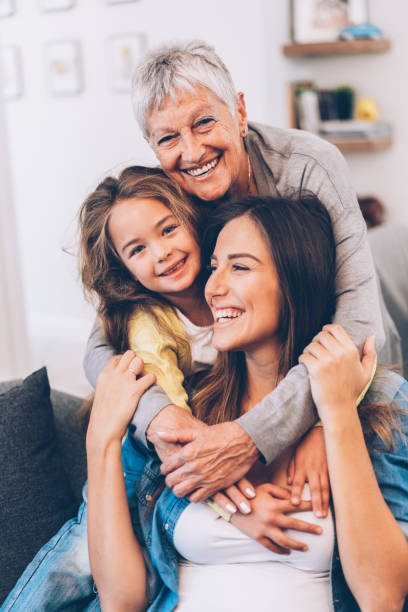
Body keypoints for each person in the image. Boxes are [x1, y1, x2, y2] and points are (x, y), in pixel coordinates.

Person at [84, 40, 401, 508]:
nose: (191, 152)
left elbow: (356, 321)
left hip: (351, 362)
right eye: (167, 138)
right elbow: (100, 344)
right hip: (254, 374)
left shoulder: (308, 165)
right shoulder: (172, 195)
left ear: (239, 110)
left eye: (204, 122)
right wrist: (161, 417)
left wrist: (306, 426)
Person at [2, 169, 326, 611]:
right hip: (150, 459)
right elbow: (175, 431)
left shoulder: (239, 294)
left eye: (169, 229)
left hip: (195, 462)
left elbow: (333, 362)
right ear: (124, 269)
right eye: (138, 249)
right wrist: (233, 504)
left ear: (193, 221)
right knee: (69, 567)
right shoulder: (148, 324)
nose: (163, 253)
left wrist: (318, 423)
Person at [86, 194, 408, 612]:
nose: (214, 288)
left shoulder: (379, 403)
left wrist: (335, 414)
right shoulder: (182, 411)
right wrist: (102, 439)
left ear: (296, 279)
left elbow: (383, 596)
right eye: (214, 267)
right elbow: (120, 601)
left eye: (239, 267)